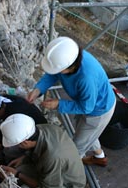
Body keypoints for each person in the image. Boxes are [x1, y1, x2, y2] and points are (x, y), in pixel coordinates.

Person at [26, 36, 116, 167]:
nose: (57, 72)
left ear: (71, 67)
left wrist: (59, 104)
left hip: (98, 111)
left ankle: (72, 176)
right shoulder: (69, 56)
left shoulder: (86, 78)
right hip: (88, 103)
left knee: (76, 147)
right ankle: (100, 157)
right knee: (87, 133)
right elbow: (53, 74)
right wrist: (38, 89)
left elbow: (87, 108)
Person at [0, 114, 86, 188]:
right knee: (20, 169)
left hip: (68, 184)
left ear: (26, 142)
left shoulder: (52, 157)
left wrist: (17, 174)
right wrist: (23, 158)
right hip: (55, 168)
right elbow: (36, 147)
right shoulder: (42, 129)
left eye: (19, 144)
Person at [0, 90, 47, 163]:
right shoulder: (1, 101)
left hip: (38, 138)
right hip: (23, 126)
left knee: (8, 150)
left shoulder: (12, 121)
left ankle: (6, 160)